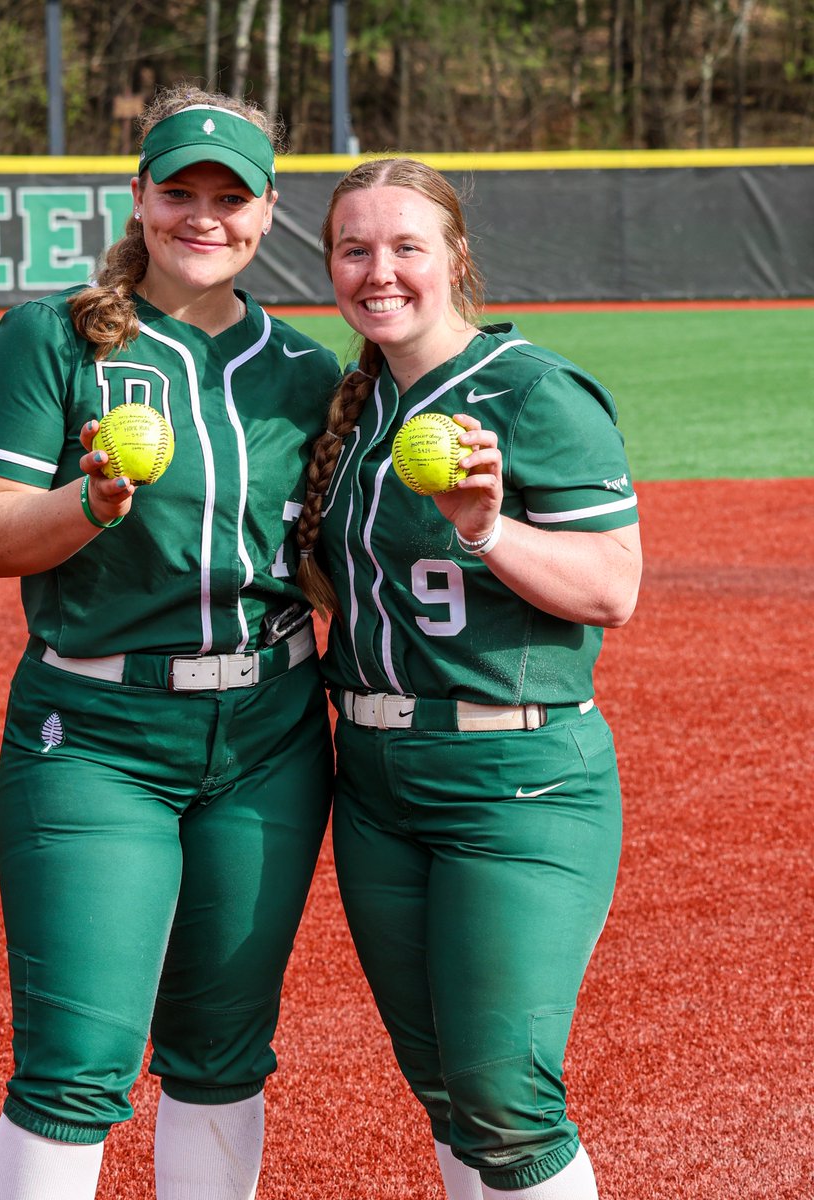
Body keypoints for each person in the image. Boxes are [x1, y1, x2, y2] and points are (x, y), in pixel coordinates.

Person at [0, 84, 341, 1200]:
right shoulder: (52, 338)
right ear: (138, 198)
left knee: (222, 1059)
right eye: (180, 191)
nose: (203, 216)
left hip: (269, 734)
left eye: (232, 195)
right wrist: (91, 504)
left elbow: (324, 559)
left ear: (269, 211)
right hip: (97, 733)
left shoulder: (309, 374)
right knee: (75, 1070)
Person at [295, 158, 642, 1200]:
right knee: (443, 1086)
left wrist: (489, 529)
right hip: (376, 783)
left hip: (518, 779)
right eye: (354, 249)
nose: (379, 270)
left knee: (507, 1096)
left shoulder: (536, 393)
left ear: (456, 260)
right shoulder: (349, 413)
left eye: (406, 246)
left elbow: (613, 589)